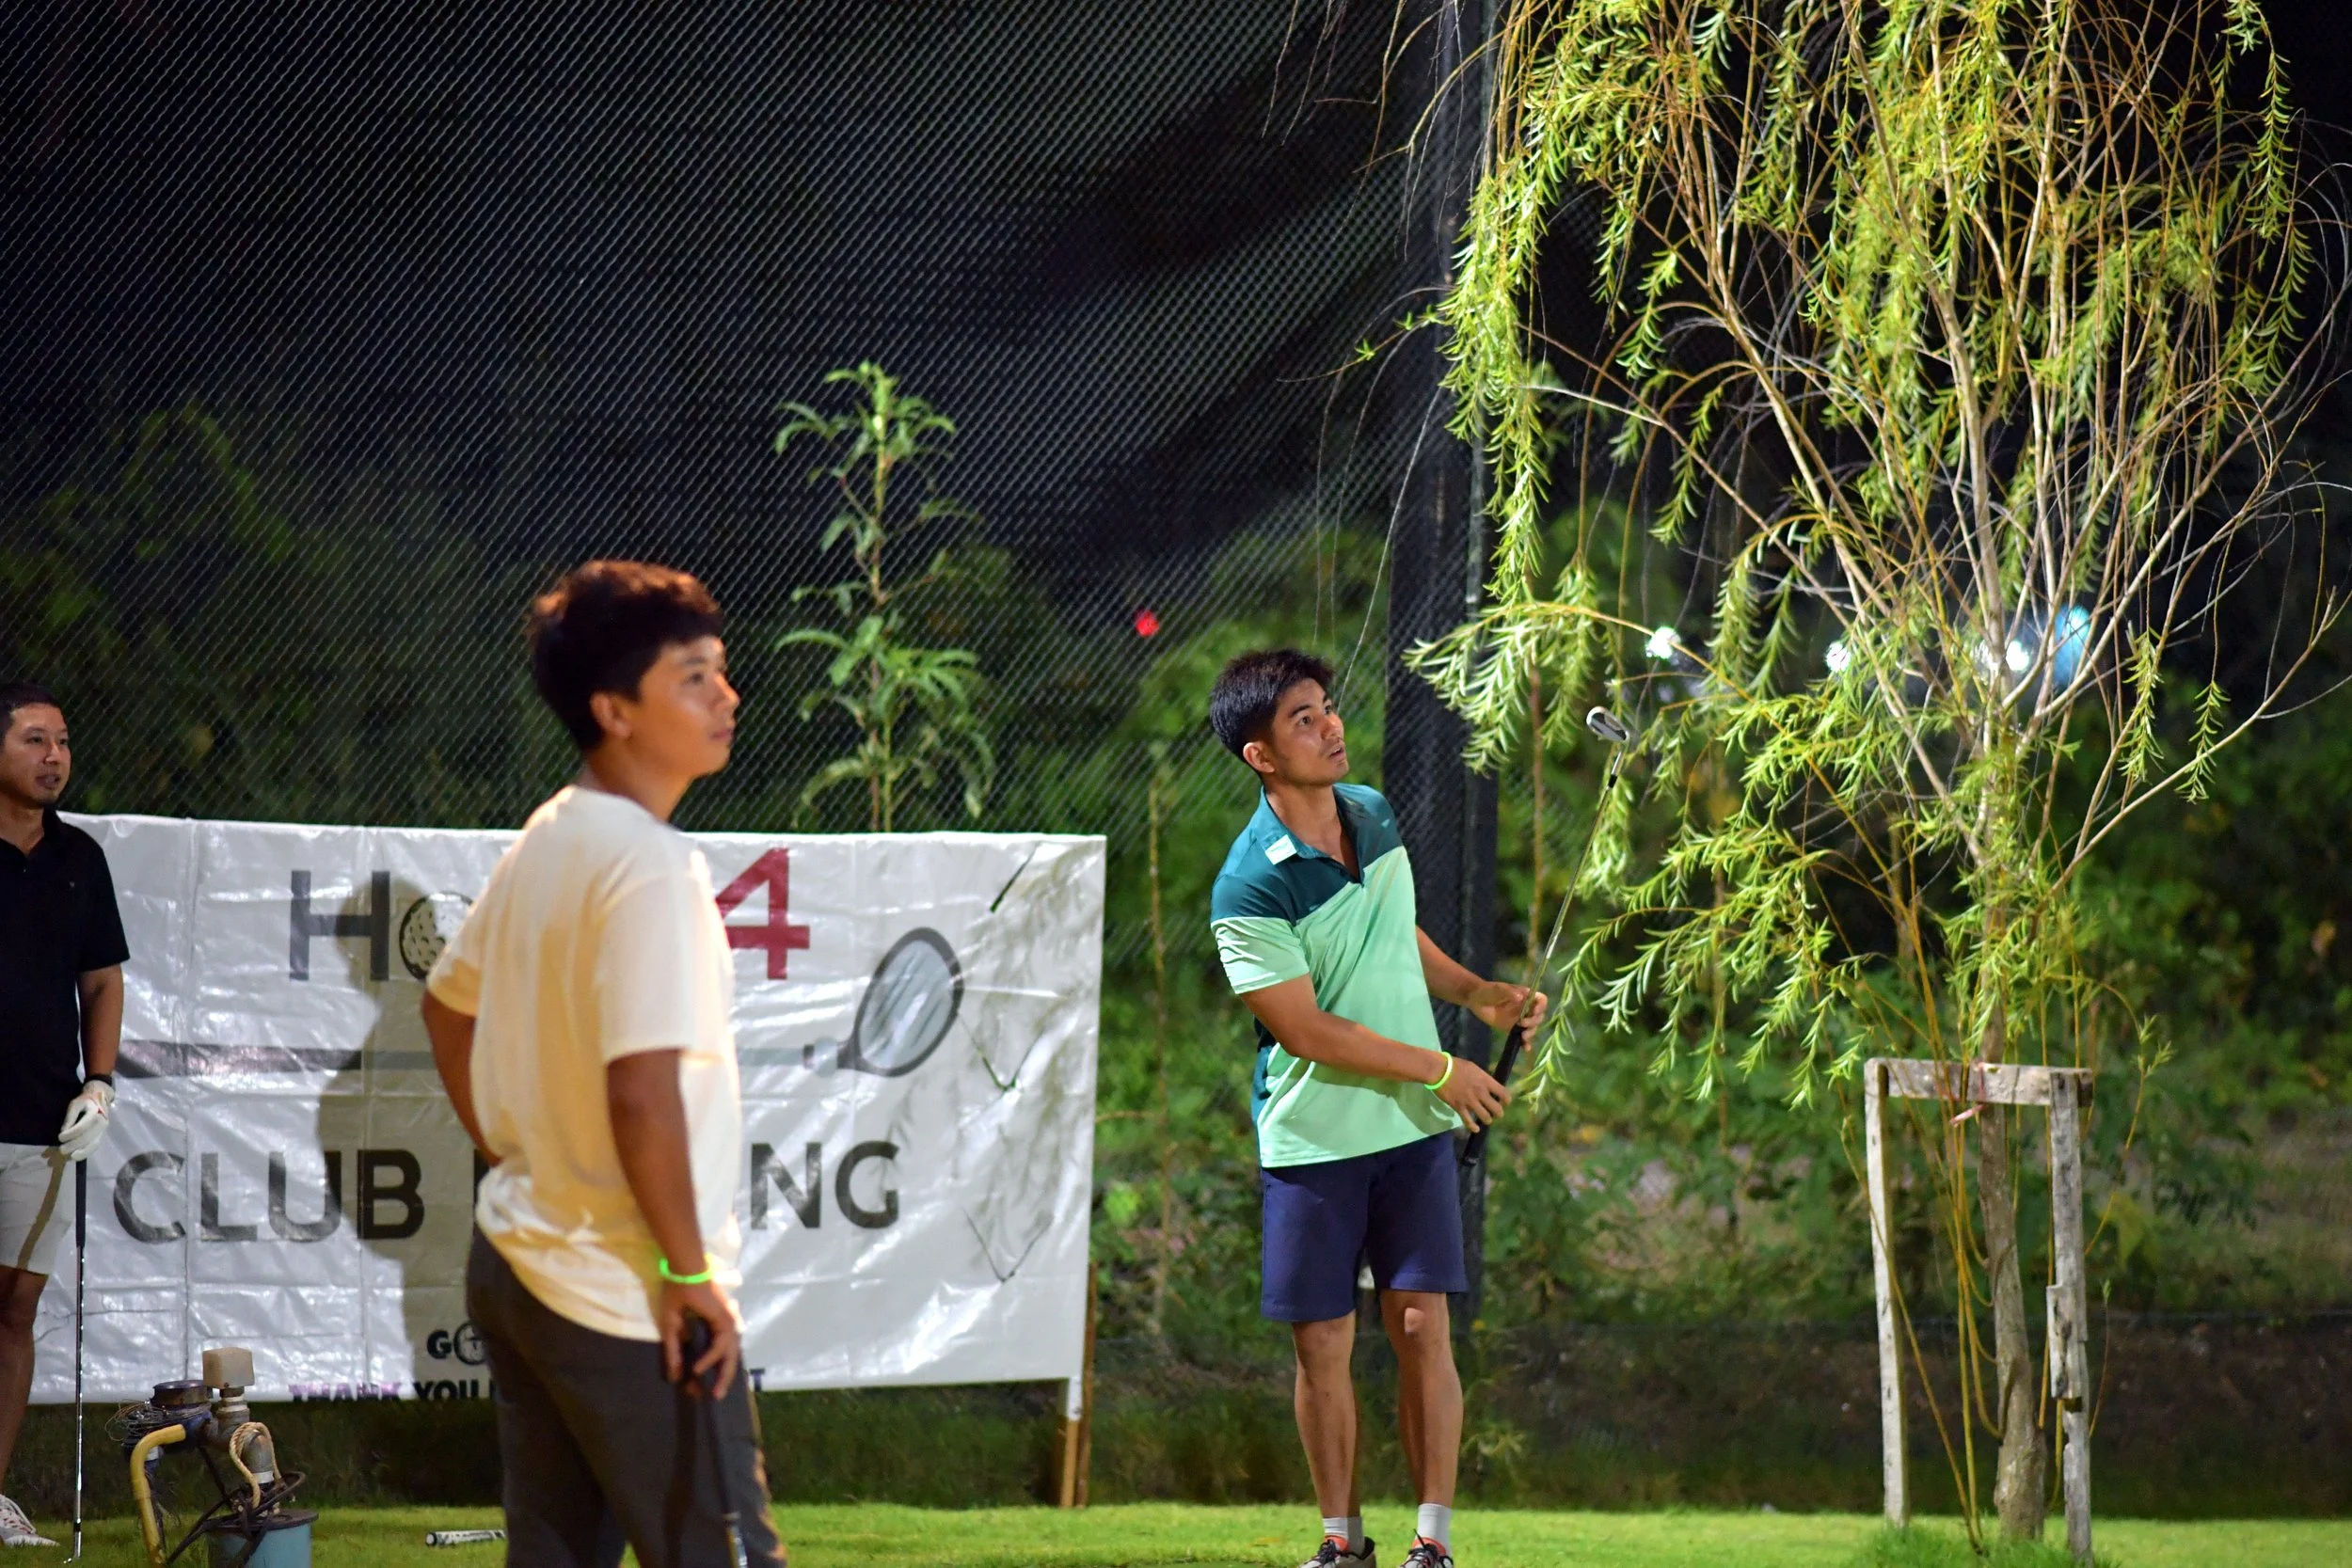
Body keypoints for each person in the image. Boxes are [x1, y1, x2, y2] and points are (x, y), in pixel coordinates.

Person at [421, 562, 785, 1568]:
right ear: (612, 709)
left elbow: (446, 1008)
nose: (726, 696)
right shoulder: (650, 865)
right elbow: (642, 1091)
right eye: (693, 678)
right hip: (623, 1292)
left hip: (523, 1262)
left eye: (721, 671)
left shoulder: (550, 833)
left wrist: (519, 1153)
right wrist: (683, 1269)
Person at [1207, 649, 1542, 1568]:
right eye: (1303, 719)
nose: (1330, 726)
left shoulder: (1373, 812)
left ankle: (1431, 1540)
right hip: (1315, 1136)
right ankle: (1340, 1536)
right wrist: (1442, 1066)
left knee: (1423, 1323)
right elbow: (1305, 1029)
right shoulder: (1247, 886)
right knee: (1324, 1340)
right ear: (1260, 756)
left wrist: (1475, 991)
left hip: (1411, 1128)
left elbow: (1396, 931)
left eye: (1326, 708)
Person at [0, 683, 123, 1548]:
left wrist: (101, 1082)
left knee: (15, 1309)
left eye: (64, 740)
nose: (54, 756)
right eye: (35, 738)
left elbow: (102, 979)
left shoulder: (81, 856)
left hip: (42, 1120)